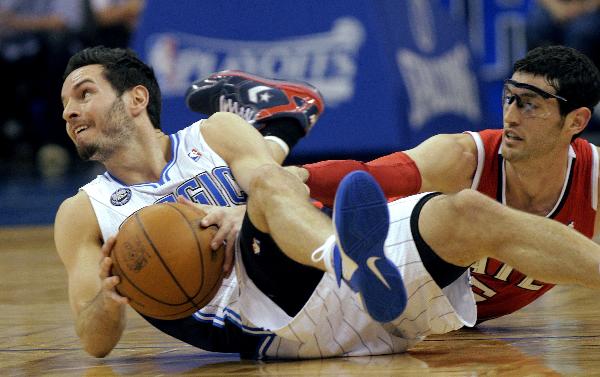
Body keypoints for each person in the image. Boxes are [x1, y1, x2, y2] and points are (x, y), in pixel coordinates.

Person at [55, 47, 600, 361]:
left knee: (467, 211)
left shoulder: (217, 132)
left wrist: (247, 212)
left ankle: (349, 258)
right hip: (272, 320)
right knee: (269, 190)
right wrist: (108, 300)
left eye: (83, 93)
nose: (70, 111)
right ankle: (299, 141)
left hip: (357, 295)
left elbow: (275, 180)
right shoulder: (84, 211)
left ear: (136, 98)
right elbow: (94, 343)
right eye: (64, 105)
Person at [187, 45, 600, 324]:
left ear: (577, 122)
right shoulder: (462, 156)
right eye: (509, 98)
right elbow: (367, 175)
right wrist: (277, 194)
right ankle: (278, 125)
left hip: (432, 319)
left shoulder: (593, 175)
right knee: (203, 217)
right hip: (361, 253)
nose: (511, 115)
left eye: (529, 104)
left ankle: (281, 123)